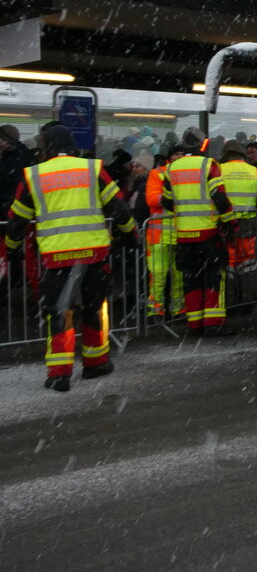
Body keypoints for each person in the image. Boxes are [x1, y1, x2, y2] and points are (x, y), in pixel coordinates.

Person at [4, 124, 138, 392]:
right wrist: (130, 235)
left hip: (56, 255)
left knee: (60, 312)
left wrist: (11, 247)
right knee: (94, 308)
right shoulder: (92, 169)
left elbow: (17, 219)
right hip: (94, 253)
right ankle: (95, 362)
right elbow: (118, 207)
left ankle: (59, 373)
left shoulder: (33, 175)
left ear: (46, 147)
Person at [161, 127, 237, 336]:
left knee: (190, 279)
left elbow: (166, 200)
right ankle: (213, 324)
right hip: (208, 234)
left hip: (184, 235)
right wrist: (230, 224)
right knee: (213, 277)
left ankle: (194, 324)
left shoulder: (172, 168)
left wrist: (184, 213)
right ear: (203, 144)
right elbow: (220, 198)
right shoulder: (208, 165)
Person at [145, 147, 184, 318]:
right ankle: (156, 310)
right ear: (169, 157)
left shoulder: (185, 174)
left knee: (179, 275)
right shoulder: (157, 173)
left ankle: (178, 309)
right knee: (158, 274)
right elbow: (151, 199)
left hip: (179, 232)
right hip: (159, 235)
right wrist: (170, 198)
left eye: (182, 154)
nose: (180, 157)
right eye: (176, 153)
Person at [219, 139, 257, 274]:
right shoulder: (253, 171)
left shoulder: (219, 170)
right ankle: (247, 287)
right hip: (248, 224)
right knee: (248, 259)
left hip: (226, 223)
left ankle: (230, 288)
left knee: (229, 257)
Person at [0, 124, 34, 216]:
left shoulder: (18, 158)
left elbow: (13, 185)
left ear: (6, 141)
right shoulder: (9, 155)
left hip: (11, 208)